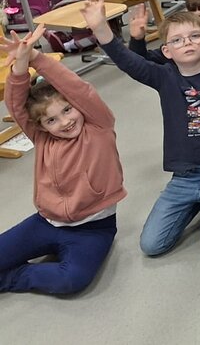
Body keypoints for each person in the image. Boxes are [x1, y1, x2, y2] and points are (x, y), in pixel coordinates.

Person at [82, 0, 200, 256]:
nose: (187, 43)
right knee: (151, 245)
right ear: (166, 52)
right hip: (185, 176)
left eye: (194, 36)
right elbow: (127, 61)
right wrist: (101, 28)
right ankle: (196, 202)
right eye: (177, 40)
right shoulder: (163, 76)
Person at [0, 26, 125, 295]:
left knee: (71, 280)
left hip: (93, 229)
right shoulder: (42, 137)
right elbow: (16, 105)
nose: (65, 121)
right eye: (52, 120)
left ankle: (11, 278)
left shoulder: (99, 126)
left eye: (67, 110)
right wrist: (20, 67)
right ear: (41, 126)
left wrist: (36, 57)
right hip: (45, 222)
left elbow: (79, 90)